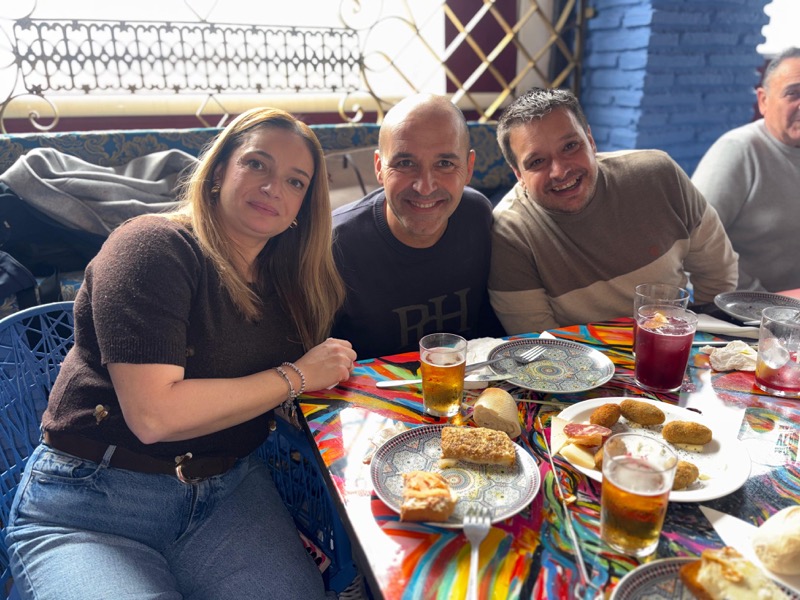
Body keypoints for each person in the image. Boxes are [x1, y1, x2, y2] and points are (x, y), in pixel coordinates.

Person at [5, 107, 357, 600]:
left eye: (295, 181)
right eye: (256, 163)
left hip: (229, 491)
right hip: (94, 503)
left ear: (303, 205)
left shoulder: (289, 281)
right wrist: (296, 375)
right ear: (218, 172)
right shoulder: (152, 246)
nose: (272, 187)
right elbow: (155, 416)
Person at [489, 87, 738, 334]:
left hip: (671, 344)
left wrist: (697, 341)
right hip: (576, 357)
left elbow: (717, 274)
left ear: (591, 141)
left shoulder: (659, 176)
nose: (560, 171)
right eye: (537, 162)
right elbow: (538, 339)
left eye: (570, 146)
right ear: (518, 174)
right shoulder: (511, 232)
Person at [331, 94, 501, 359]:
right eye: (405, 163)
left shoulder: (477, 216)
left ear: (468, 168)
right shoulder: (334, 244)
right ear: (379, 167)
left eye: (445, 164)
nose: (425, 187)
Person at [692, 47, 800, 292]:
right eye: (793, 93)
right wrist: (766, 303)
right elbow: (694, 245)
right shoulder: (738, 149)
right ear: (763, 100)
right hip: (743, 307)